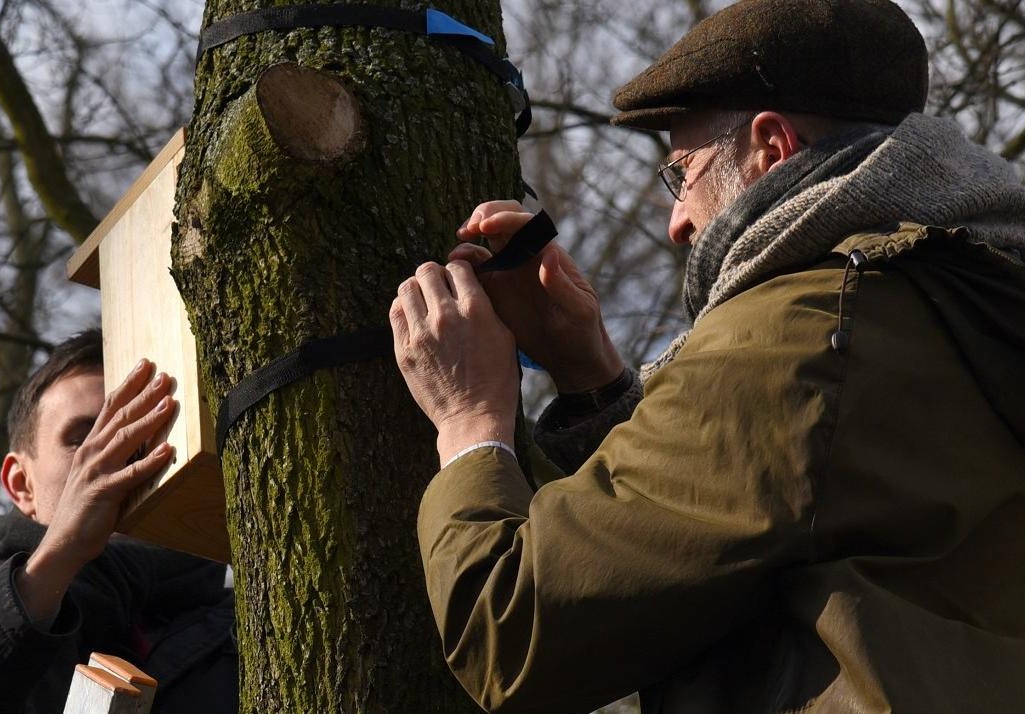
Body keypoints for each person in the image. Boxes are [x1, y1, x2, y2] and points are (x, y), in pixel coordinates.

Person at [389, 0, 1025, 712]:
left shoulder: (806, 327)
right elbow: (757, 516)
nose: (676, 222)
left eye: (681, 173)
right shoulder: (952, 297)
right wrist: (591, 379)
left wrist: (471, 423)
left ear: (771, 149)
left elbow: (509, 627)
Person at [0, 330, 237, 713]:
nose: (118, 456)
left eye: (144, 434)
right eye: (84, 438)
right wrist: (56, 561)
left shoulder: (255, 630)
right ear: (22, 485)